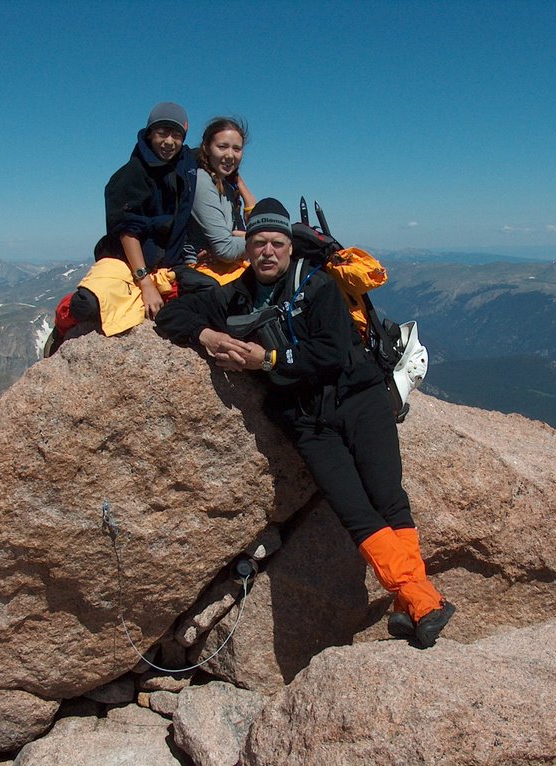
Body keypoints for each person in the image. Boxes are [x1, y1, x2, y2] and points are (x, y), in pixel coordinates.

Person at [155, 198, 454, 648]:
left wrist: (269, 358)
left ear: (290, 248)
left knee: (388, 498)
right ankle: (417, 598)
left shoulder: (319, 287)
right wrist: (207, 334)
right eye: (258, 243)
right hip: (306, 422)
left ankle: (416, 600)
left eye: (277, 243)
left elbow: (332, 352)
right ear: (248, 249)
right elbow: (173, 315)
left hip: (359, 400)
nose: (268, 252)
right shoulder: (234, 294)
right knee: (356, 512)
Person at [103, 101, 198, 320]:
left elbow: (218, 156)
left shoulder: (186, 162)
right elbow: (127, 229)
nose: (169, 142)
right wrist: (145, 282)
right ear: (149, 134)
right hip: (132, 266)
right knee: (93, 305)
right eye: (162, 133)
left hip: (172, 264)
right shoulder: (131, 175)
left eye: (176, 135)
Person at [178, 117, 257, 293]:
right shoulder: (202, 182)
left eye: (236, 149)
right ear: (206, 148)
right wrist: (258, 239)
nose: (230, 155)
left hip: (223, 269)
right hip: (205, 272)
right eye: (222, 147)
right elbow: (226, 250)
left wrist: (246, 194)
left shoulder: (225, 184)